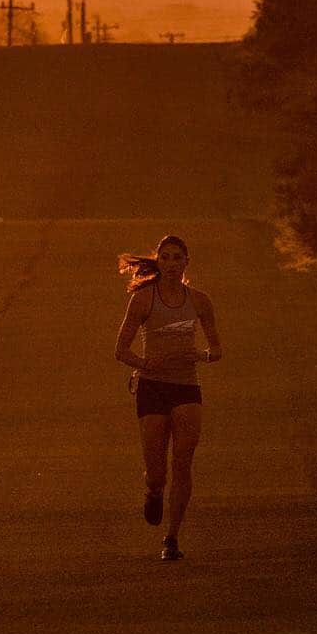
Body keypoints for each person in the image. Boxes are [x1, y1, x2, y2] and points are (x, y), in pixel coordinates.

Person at [115, 235, 222, 561]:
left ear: (187, 262)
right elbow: (120, 350)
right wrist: (147, 363)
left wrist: (199, 355)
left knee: (183, 464)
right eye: (166, 258)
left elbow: (216, 350)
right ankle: (154, 490)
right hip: (152, 387)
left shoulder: (200, 301)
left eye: (178, 258)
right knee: (157, 469)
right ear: (158, 262)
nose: (172, 264)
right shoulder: (144, 300)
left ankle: (171, 538)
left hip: (186, 388)